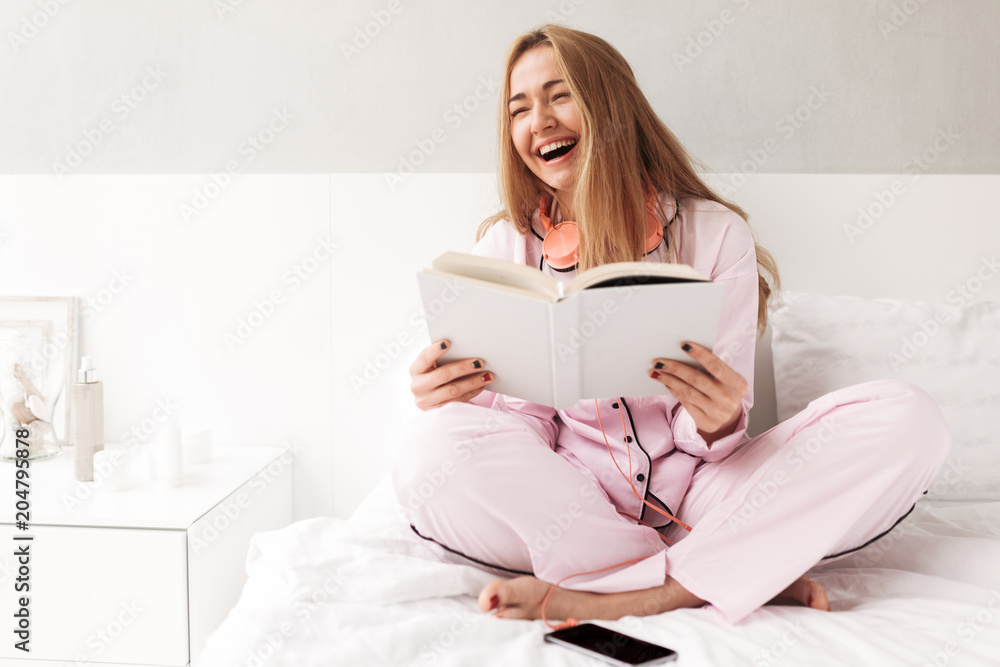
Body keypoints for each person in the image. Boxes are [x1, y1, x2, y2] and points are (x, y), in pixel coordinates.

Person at [391, 24, 951, 626]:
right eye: (519, 109)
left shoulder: (716, 235)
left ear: (610, 105)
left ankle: (638, 594)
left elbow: (714, 438)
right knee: (429, 450)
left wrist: (719, 419)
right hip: (573, 510)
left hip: (705, 497)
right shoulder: (507, 248)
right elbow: (521, 429)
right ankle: (732, 568)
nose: (540, 122)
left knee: (908, 416)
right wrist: (455, 393)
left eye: (560, 95)